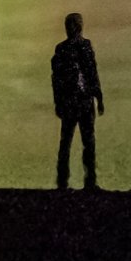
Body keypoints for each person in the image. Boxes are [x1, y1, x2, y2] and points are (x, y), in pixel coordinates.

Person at [51, 11, 104, 190]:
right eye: (70, 24)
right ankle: (64, 182)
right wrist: (58, 101)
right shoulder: (64, 49)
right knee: (70, 142)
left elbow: (92, 71)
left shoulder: (80, 47)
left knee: (84, 142)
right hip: (74, 101)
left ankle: (86, 181)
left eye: (73, 24)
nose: (71, 28)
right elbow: (57, 78)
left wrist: (99, 96)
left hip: (81, 101)